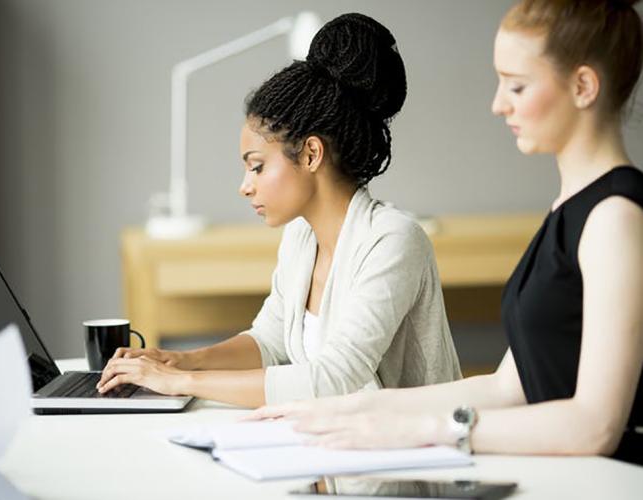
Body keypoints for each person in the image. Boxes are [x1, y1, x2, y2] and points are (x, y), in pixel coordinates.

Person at [249, 0, 643, 464]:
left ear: (582, 86)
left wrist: (423, 429)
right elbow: (508, 388)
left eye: (516, 86)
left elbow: (594, 426)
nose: (498, 104)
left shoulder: (617, 216)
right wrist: (350, 408)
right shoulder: (571, 211)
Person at [96, 13, 461, 408]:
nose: (244, 185)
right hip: (327, 452)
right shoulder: (302, 237)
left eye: (257, 166)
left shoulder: (392, 240)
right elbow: (269, 341)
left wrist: (182, 381)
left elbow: (336, 376)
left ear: (310, 154)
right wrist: (183, 360)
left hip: (404, 463)